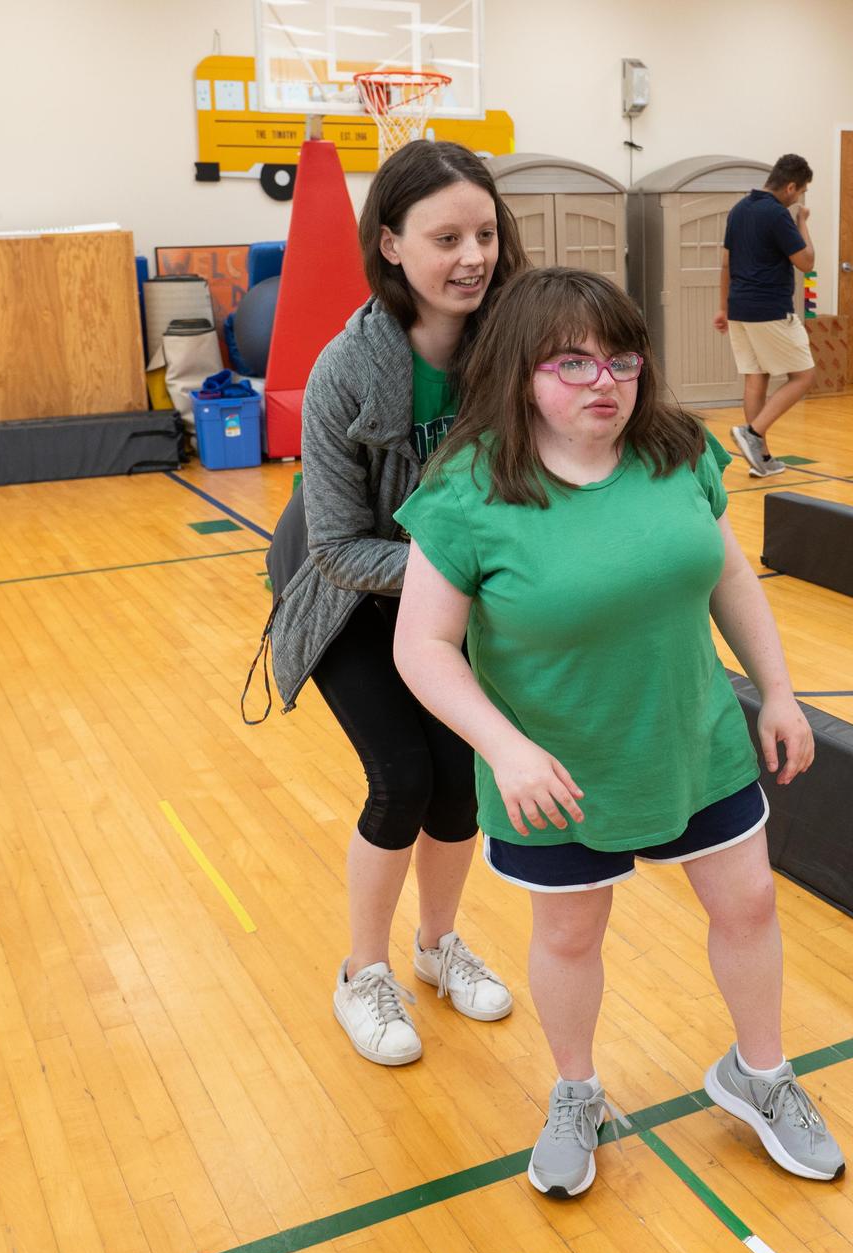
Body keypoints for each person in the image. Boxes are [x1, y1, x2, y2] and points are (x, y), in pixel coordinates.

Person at [393, 267, 844, 1199]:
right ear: (522, 373)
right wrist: (504, 748)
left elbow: (728, 578)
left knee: (749, 903)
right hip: (555, 767)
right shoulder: (468, 491)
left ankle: (760, 1074)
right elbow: (424, 648)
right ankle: (575, 1091)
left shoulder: (677, 451)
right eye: (572, 363)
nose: (605, 382)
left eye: (622, 360)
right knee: (569, 935)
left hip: (692, 738)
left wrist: (781, 692)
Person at [263, 140, 530, 1067]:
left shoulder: (510, 347)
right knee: (402, 777)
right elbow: (335, 547)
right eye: (445, 236)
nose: (473, 256)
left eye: (485, 233)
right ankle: (362, 973)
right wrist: (467, 572)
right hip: (338, 591)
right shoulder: (346, 370)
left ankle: (435, 948)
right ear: (390, 244)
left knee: (461, 782)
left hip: (442, 594)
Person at [715, 153, 816, 478]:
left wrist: (723, 307)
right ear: (790, 186)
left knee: (756, 379)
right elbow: (806, 262)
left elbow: (727, 264)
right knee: (803, 376)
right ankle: (753, 433)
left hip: (740, 310)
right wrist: (802, 223)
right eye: (800, 192)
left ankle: (763, 458)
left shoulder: (739, 210)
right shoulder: (777, 215)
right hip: (769, 309)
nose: (799, 198)